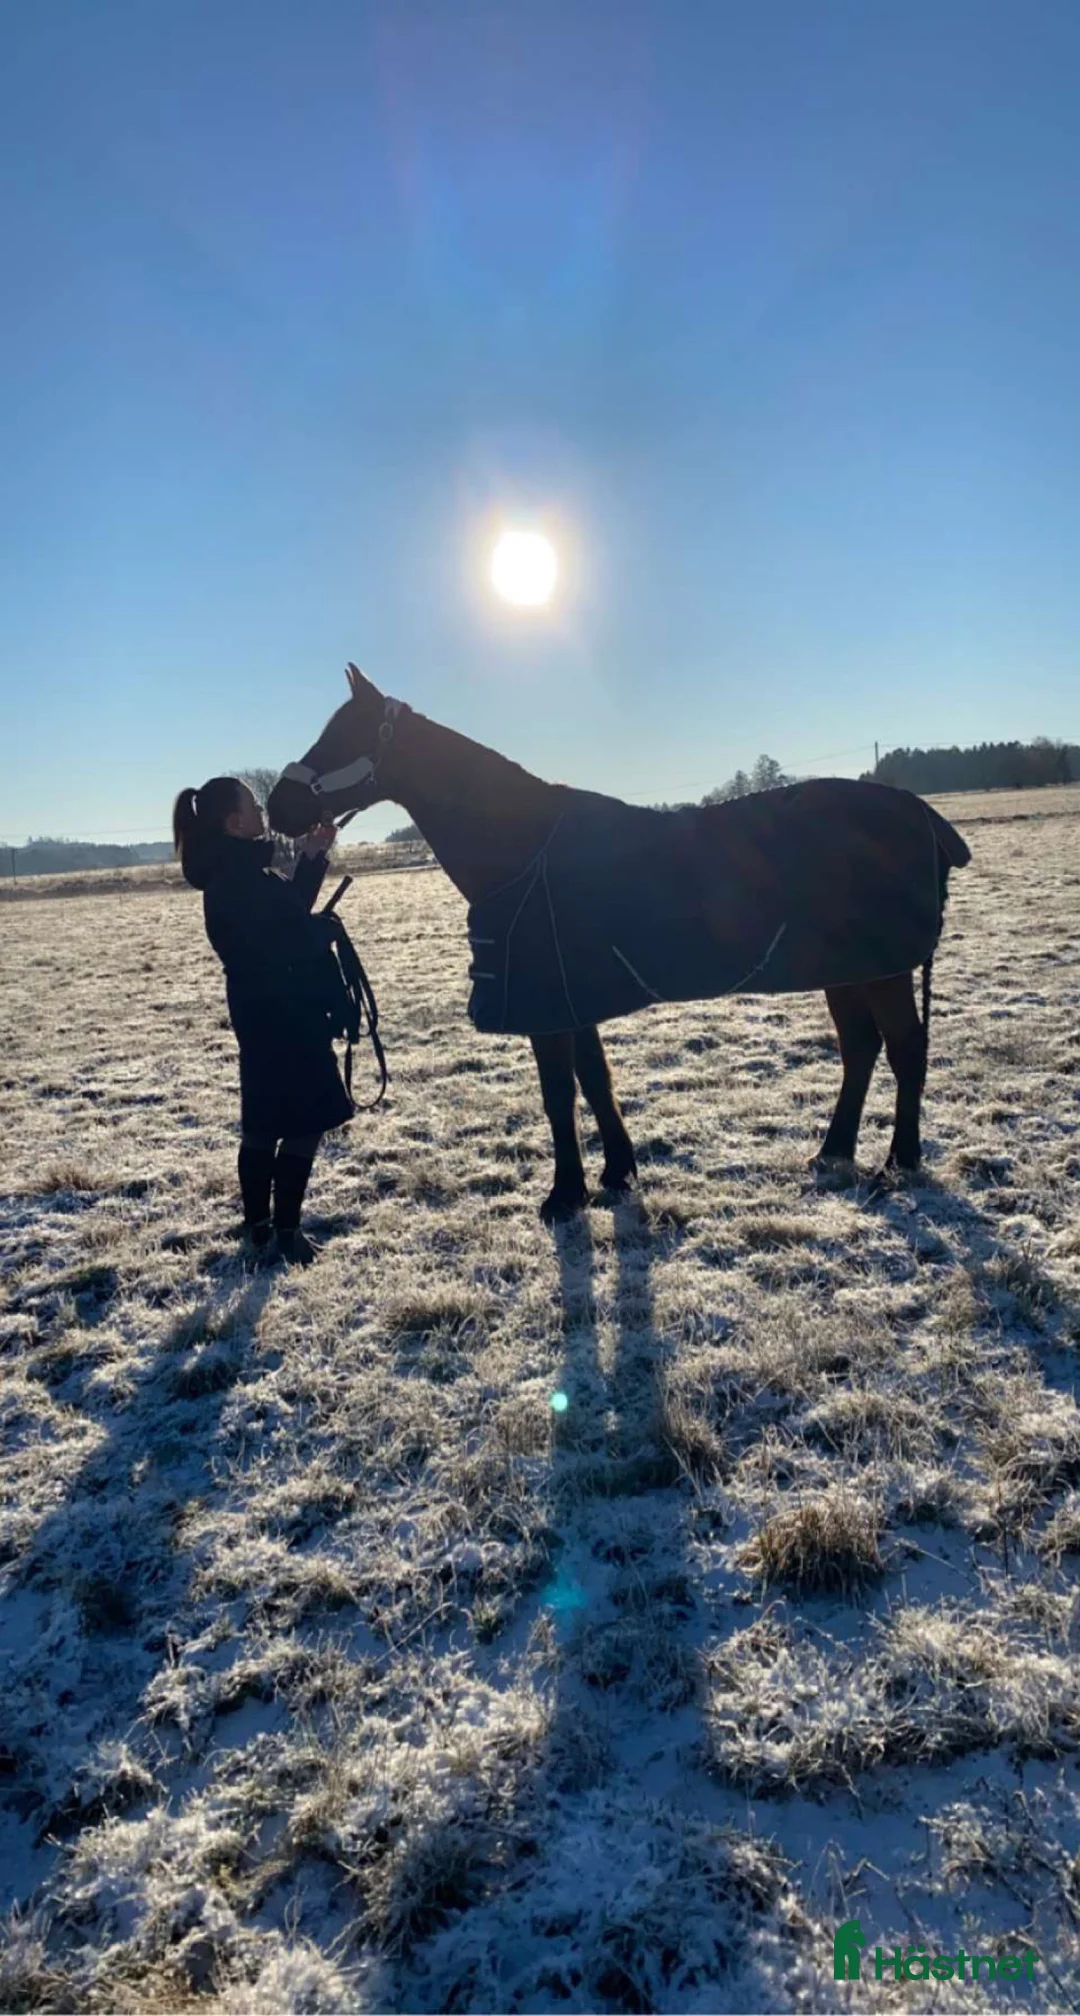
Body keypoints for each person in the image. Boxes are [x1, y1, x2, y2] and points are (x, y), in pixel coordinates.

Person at [172, 776, 353, 1265]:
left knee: (265, 1122)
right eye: (252, 806)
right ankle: (286, 1232)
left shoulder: (236, 872)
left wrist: (313, 854)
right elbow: (284, 940)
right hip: (284, 1012)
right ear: (234, 822)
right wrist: (322, 935)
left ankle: (258, 1229)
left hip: (262, 1011)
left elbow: (289, 913)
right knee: (304, 1122)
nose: (259, 812)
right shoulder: (239, 878)